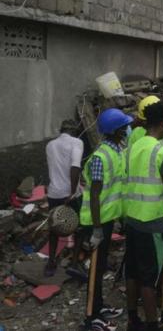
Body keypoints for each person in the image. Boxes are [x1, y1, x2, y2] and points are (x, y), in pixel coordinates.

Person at [123, 101, 163, 331]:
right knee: (149, 277)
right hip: (152, 222)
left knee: (133, 272)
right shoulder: (161, 151)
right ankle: (152, 324)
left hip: (131, 218)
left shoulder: (132, 147)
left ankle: (133, 319)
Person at [80, 109, 132, 331]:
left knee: (100, 267)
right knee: (95, 269)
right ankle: (91, 317)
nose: (127, 130)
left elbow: (116, 189)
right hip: (96, 222)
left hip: (107, 219)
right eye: (123, 127)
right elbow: (94, 195)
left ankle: (99, 306)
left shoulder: (117, 151)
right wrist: (97, 229)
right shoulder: (101, 157)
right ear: (114, 130)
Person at [45, 119, 84, 277]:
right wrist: (72, 191)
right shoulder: (77, 142)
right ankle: (74, 263)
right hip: (70, 194)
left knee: (54, 228)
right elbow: (75, 166)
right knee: (78, 228)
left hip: (54, 193)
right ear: (74, 131)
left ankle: (51, 262)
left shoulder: (50, 145)